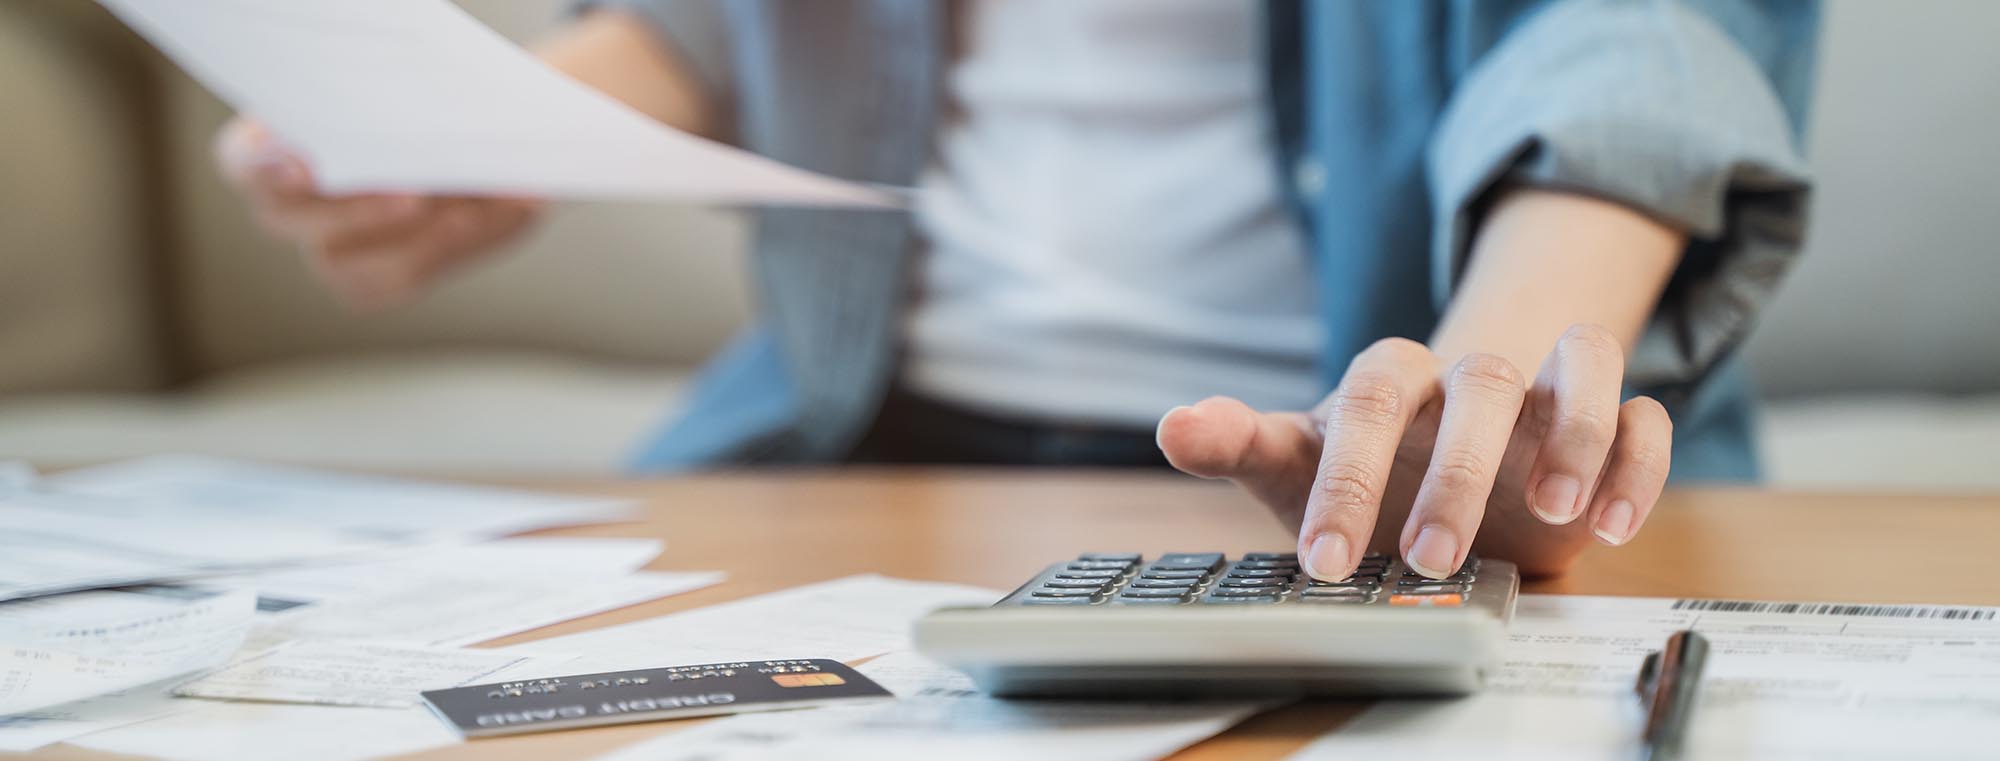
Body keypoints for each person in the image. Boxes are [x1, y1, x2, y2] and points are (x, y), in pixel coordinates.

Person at [213, 0, 1817, 581]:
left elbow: (1638, 47)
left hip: (1336, 475)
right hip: (854, 454)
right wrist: (482, 135)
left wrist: (1488, 397)